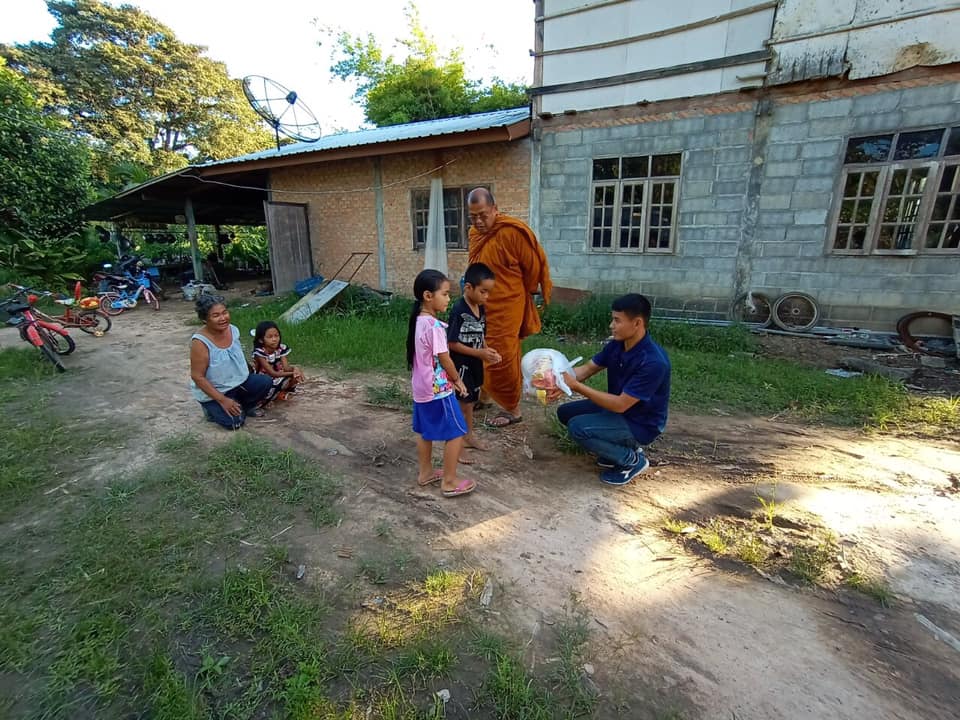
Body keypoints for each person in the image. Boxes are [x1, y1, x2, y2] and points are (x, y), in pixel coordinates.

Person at [555, 294, 671, 486]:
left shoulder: (653, 362)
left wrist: (575, 386)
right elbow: (586, 369)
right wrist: (555, 379)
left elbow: (620, 405)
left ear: (637, 323)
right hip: (620, 411)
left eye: (617, 320)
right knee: (565, 412)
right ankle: (615, 449)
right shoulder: (618, 345)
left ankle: (631, 460)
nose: (611, 325)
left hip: (640, 423)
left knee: (578, 427)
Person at [466, 187, 552, 427]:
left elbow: (532, 268)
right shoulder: (475, 234)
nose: (479, 221)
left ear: (495, 209)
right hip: (481, 305)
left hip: (507, 305)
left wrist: (517, 292)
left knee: (501, 356)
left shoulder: (512, 232)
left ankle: (513, 409)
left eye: (483, 214)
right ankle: (484, 395)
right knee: (478, 348)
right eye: (473, 216)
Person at [407, 269, 477, 498]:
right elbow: (445, 358)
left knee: (425, 432)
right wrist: (457, 380)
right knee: (457, 431)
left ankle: (425, 472)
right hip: (438, 389)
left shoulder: (418, 321)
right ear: (428, 296)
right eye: (445, 294)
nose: (449, 299)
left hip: (421, 387)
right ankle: (449, 481)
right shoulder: (435, 327)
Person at [189, 295, 273, 430]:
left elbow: (236, 353)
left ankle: (243, 405)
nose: (223, 318)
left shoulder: (232, 330)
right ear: (205, 319)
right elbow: (197, 377)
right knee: (235, 423)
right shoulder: (200, 343)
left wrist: (247, 367)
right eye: (215, 315)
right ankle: (212, 410)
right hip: (216, 391)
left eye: (224, 312)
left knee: (265, 382)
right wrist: (222, 400)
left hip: (237, 383)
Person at [447, 263, 501, 458]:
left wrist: (487, 350)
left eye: (488, 293)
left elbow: (481, 334)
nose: (486, 297)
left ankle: (468, 436)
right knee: (462, 404)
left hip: (475, 364)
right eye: (483, 292)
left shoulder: (480, 308)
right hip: (461, 365)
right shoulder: (458, 311)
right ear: (468, 287)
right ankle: (456, 445)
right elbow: (451, 343)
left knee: (470, 402)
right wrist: (479, 354)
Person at [251, 320, 305, 403]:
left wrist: (295, 369)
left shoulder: (281, 349)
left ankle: (282, 393)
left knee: (294, 376)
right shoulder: (260, 353)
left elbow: (286, 368)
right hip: (265, 380)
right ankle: (270, 397)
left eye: (276, 336)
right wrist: (293, 373)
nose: (274, 339)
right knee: (280, 381)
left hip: (277, 377)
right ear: (261, 340)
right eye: (270, 337)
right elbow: (272, 373)